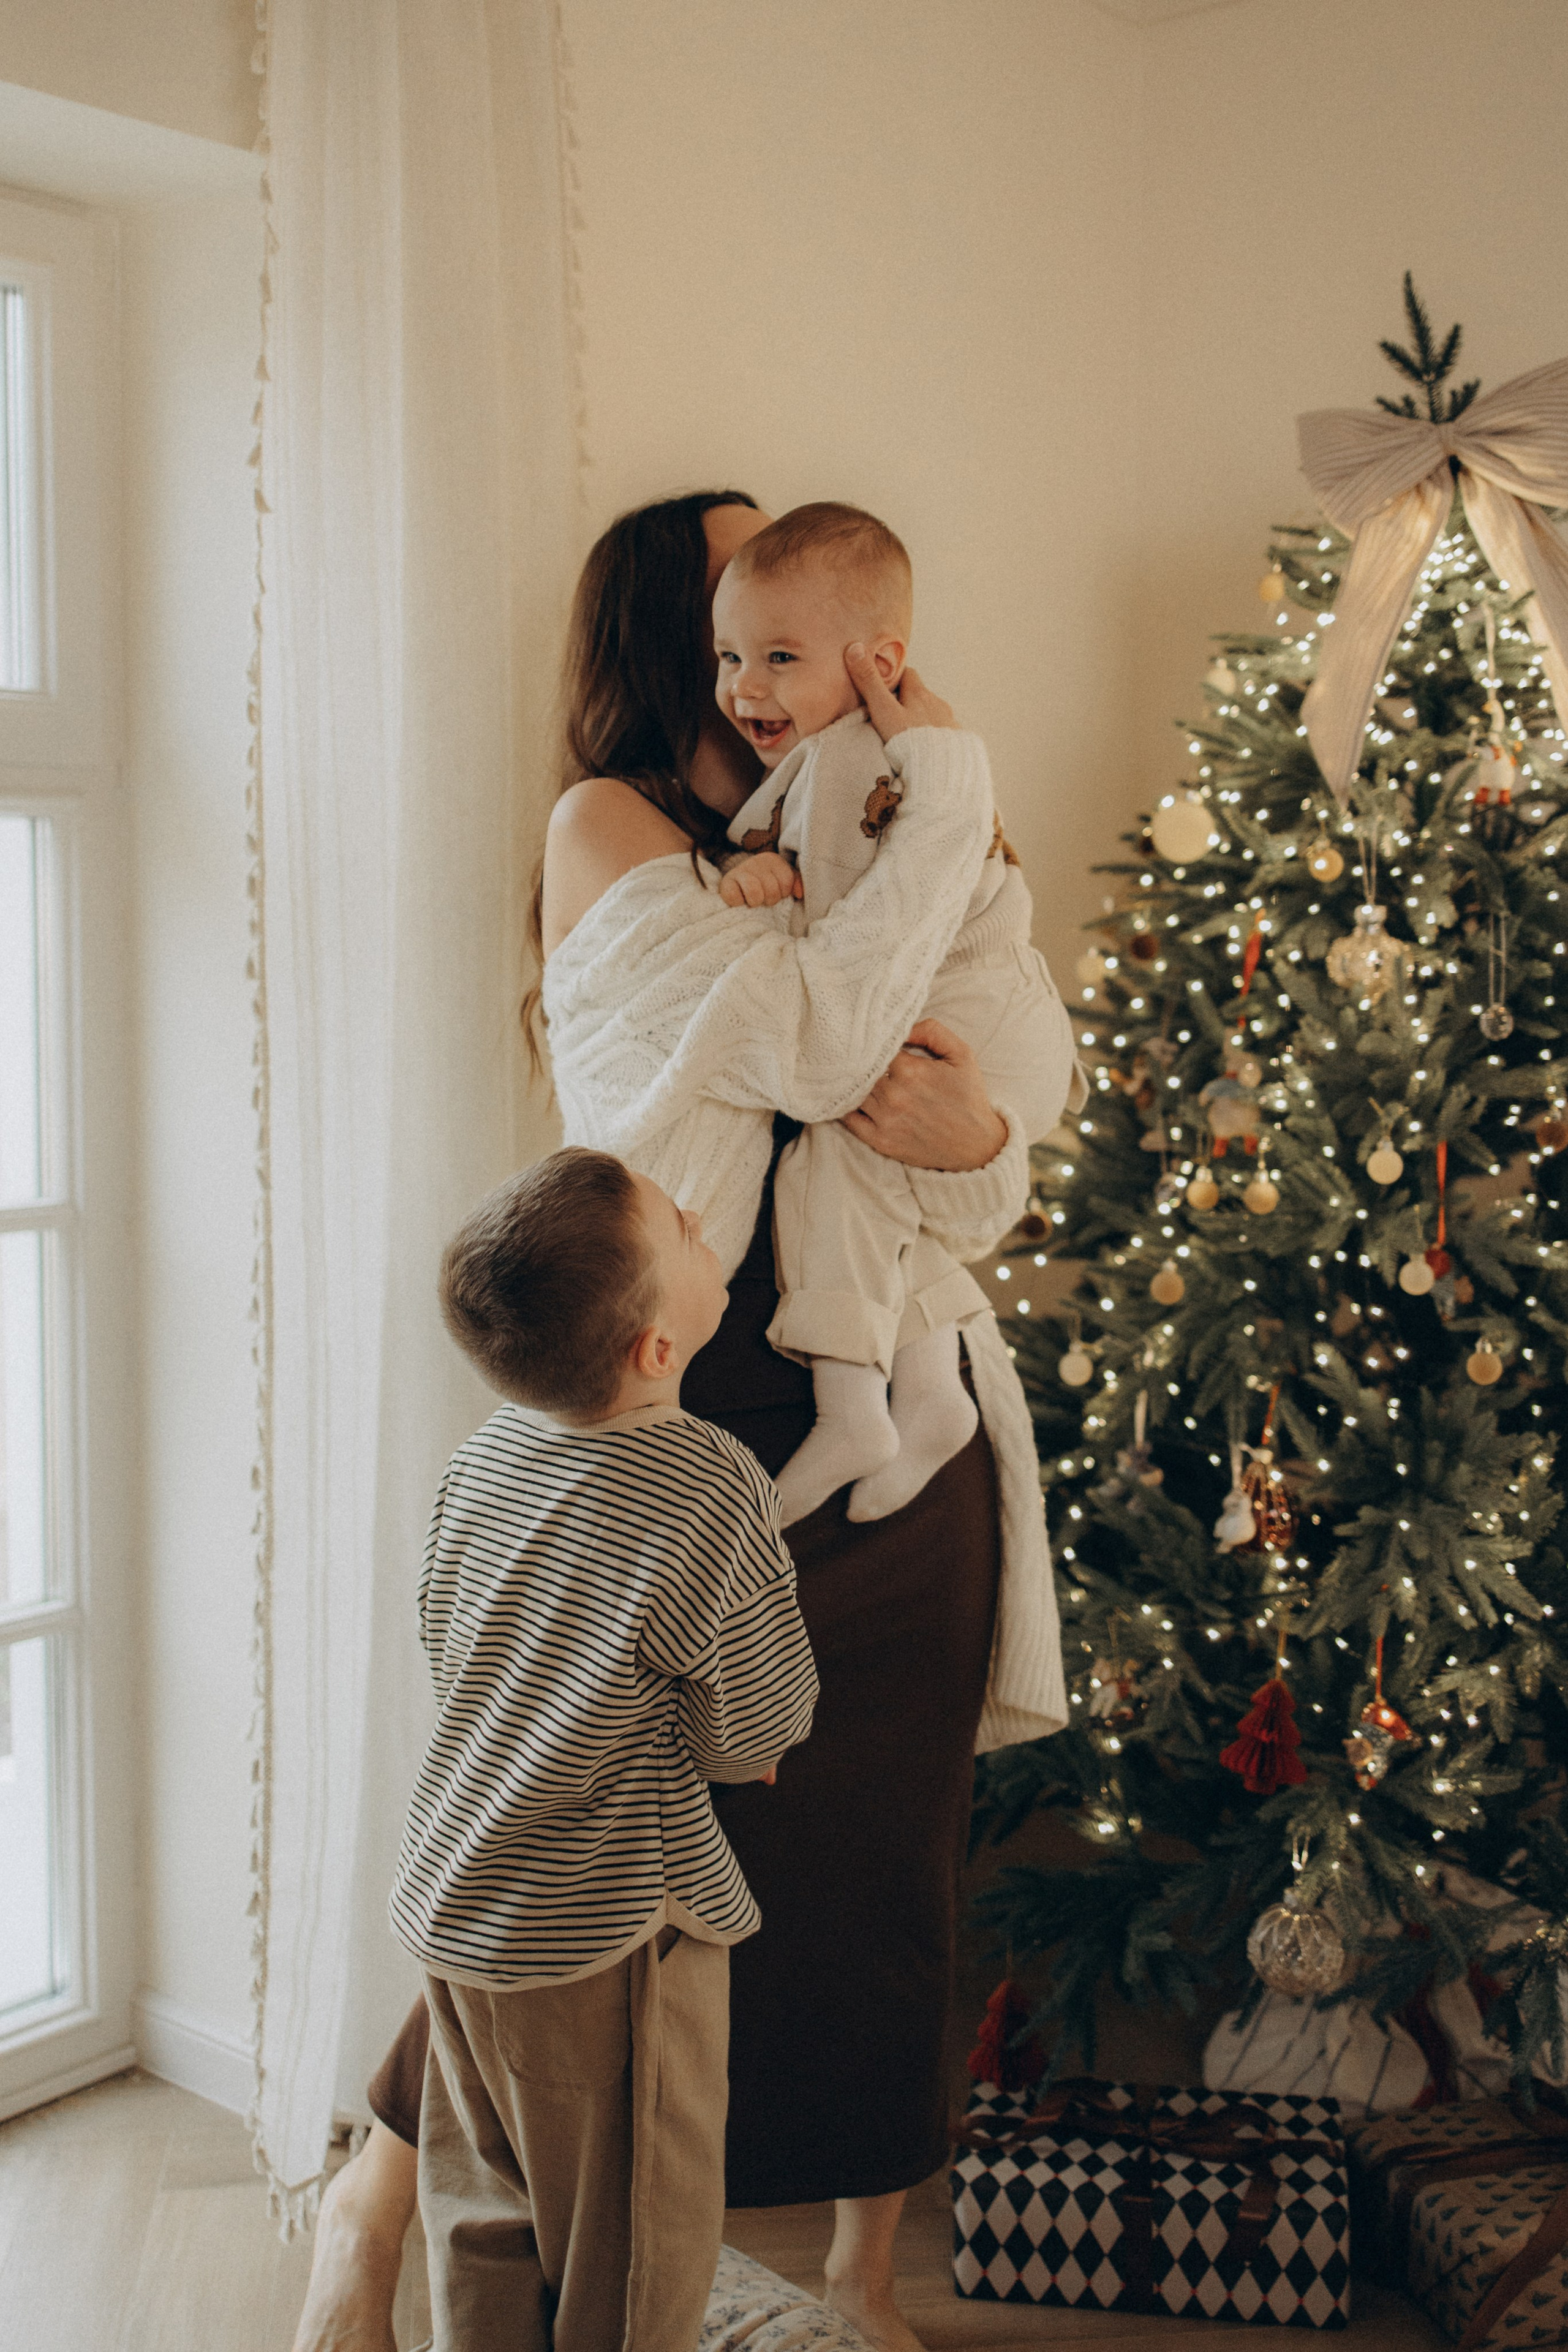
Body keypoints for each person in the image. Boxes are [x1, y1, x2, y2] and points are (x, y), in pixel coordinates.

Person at [290, 489, 1069, 2352]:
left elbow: (986, 1108)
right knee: (575, 1838)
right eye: (730, 609)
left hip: (907, 1427)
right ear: (675, 635)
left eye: (786, 612)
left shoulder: (862, 805)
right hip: (676, 1398)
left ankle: (863, 2283)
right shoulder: (615, 830)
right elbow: (815, 1045)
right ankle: (375, 2200)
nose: (770, 642)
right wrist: (935, 802)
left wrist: (989, 1143)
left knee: (882, 1860)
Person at [391, 1146, 816, 2352]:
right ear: (656, 1351)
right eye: (680, 1224)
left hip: (455, 1902)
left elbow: (448, 1641)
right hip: (604, 1931)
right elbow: (754, 1717)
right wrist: (740, 1747)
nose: (701, 1215)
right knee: (633, 2249)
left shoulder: (485, 1457)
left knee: (485, 2209)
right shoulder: (705, 1483)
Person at [710, 502, 1074, 1527]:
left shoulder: (871, 756)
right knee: (885, 1202)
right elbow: (844, 875)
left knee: (830, 1160)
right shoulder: (860, 756)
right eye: (729, 654)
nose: (745, 686)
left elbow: (855, 947)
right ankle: (929, 1397)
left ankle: (851, 1404)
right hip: (1007, 1020)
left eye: (780, 655)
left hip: (972, 1019)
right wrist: (766, 862)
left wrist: (762, 886)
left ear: (879, 661)